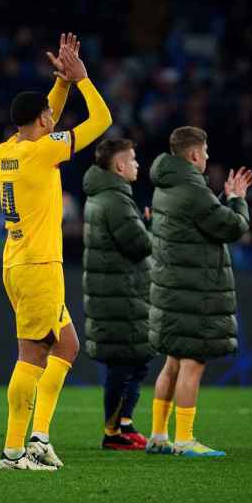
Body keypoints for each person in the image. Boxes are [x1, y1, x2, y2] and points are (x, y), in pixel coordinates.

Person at [0, 33, 111, 471]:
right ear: (42, 121)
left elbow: (45, 117)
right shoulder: (43, 153)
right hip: (39, 265)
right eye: (49, 115)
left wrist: (60, 83)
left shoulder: (8, 150)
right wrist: (82, 79)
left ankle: (39, 437)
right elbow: (101, 120)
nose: (52, 118)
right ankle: (12, 451)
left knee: (66, 345)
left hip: (19, 262)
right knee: (31, 356)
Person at [145, 126, 252, 457]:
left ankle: (158, 436)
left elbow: (198, 221)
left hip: (172, 289)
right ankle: (185, 440)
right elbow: (232, 227)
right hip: (193, 291)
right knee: (193, 363)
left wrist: (222, 199)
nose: (207, 157)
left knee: (173, 363)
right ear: (194, 155)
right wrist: (237, 201)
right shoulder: (192, 189)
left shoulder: (167, 185)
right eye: (205, 152)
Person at [82, 138, 154, 451]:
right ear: (119, 166)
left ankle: (123, 423)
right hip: (119, 297)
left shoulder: (107, 196)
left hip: (118, 295)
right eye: (134, 159)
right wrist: (153, 228)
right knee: (124, 365)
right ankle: (113, 432)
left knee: (135, 363)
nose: (138, 165)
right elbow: (138, 245)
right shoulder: (115, 200)